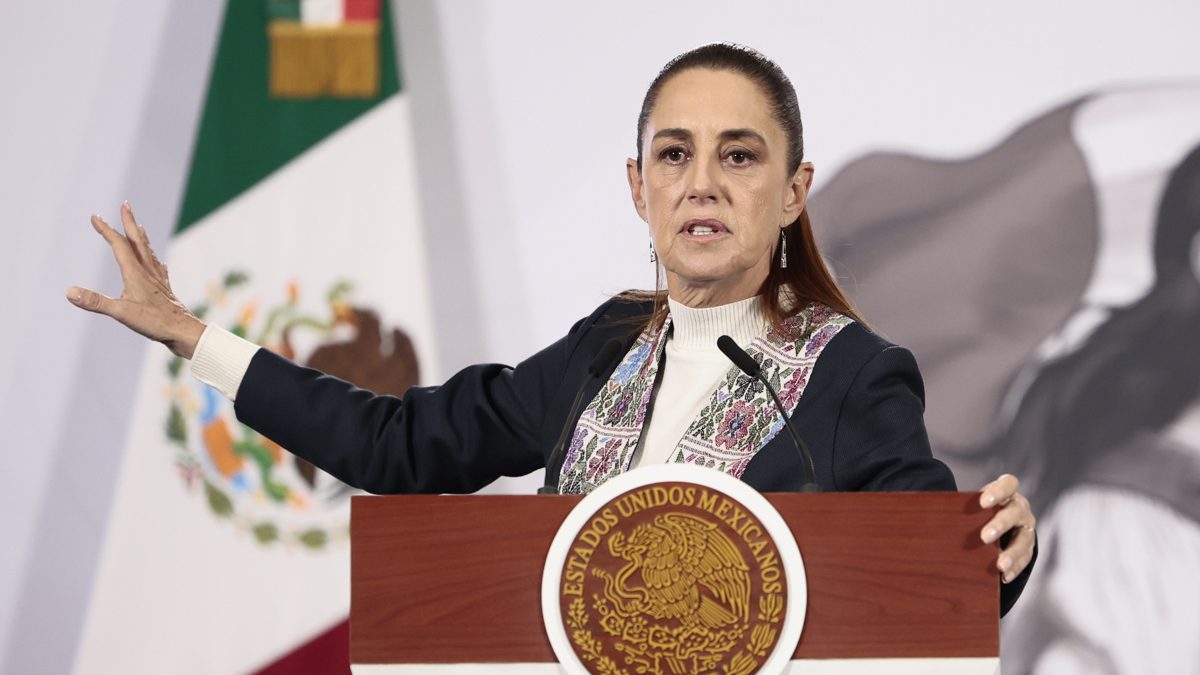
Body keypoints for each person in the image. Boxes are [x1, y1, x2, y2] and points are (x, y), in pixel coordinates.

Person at [66, 43, 1036, 614]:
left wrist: (1007, 555)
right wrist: (198, 339)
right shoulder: (601, 349)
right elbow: (397, 446)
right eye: (675, 154)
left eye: (739, 156)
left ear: (792, 193)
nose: (702, 182)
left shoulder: (850, 374)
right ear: (637, 185)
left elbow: (933, 583)